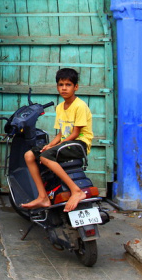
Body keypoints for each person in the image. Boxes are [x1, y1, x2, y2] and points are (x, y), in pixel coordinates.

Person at [21, 68, 94, 212]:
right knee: (29, 155)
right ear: (57, 87)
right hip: (66, 143)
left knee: (45, 157)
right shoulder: (60, 107)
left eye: (68, 85)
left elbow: (74, 133)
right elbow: (61, 132)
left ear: (76, 87)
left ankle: (76, 191)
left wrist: (56, 147)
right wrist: (50, 145)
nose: (64, 88)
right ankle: (43, 197)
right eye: (61, 85)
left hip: (79, 144)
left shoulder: (80, 106)